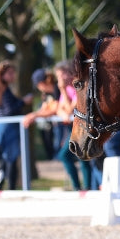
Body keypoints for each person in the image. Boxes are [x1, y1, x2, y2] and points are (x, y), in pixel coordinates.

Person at [0, 60, 30, 190]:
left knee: (4, 160)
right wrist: (23, 102)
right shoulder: (3, 90)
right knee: (10, 158)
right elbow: (9, 110)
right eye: (10, 73)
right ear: (2, 74)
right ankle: (11, 188)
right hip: (7, 128)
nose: (13, 75)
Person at [51, 60, 93, 191]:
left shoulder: (78, 86)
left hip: (82, 127)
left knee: (78, 156)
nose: (60, 79)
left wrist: (62, 90)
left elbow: (70, 109)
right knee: (72, 155)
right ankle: (79, 187)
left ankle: (85, 187)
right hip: (73, 127)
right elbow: (59, 108)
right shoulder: (68, 89)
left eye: (61, 75)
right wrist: (63, 113)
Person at [22, 68, 58, 161]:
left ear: (41, 83)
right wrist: (33, 115)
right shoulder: (46, 94)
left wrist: (34, 115)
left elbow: (54, 110)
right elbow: (43, 109)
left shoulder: (57, 89)